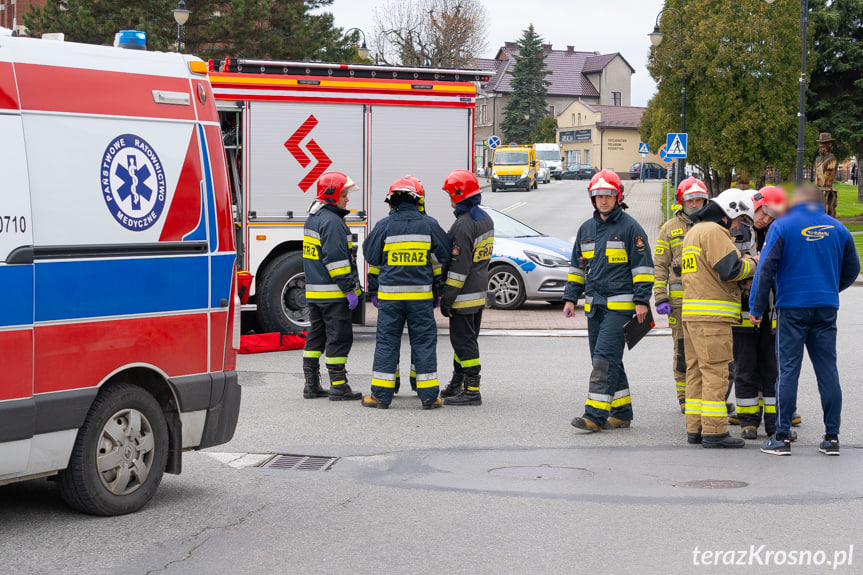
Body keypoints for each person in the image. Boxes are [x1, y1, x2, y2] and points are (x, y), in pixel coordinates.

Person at [752, 185, 860, 456]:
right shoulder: (838, 228)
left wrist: (756, 306)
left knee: (788, 370)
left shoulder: (783, 226)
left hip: (792, 307)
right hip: (825, 307)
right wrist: (831, 288)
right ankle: (832, 437)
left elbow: (765, 269)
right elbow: (853, 269)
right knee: (828, 371)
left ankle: (782, 437)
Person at [564, 169, 654, 432]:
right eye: (599, 195)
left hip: (621, 307)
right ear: (593, 198)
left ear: (618, 197)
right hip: (595, 307)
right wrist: (570, 298)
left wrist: (641, 301)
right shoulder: (586, 229)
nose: (604, 200)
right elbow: (577, 268)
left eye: (609, 195)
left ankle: (594, 416)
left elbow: (643, 268)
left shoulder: (631, 228)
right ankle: (622, 412)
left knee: (604, 358)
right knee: (605, 359)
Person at [362, 177, 452, 409]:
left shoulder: (384, 226)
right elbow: (444, 254)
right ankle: (430, 397)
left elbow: (371, 256)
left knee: (387, 343)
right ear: (418, 202)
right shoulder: (429, 224)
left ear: (392, 202)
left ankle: (381, 396)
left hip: (390, 300)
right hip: (421, 300)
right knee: (423, 343)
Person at [680, 188, 757, 448]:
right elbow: (729, 270)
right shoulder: (714, 232)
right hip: (712, 318)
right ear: (729, 212)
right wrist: (754, 262)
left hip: (692, 315)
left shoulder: (694, 232)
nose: (737, 226)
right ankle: (714, 431)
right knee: (716, 373)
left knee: (696, 374)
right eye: (738, 220)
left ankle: (696, 428)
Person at [730, 186, 789, 440]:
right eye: (763, 211)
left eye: (770, 214)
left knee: (771, 368)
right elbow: (728, 265)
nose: (764, 218)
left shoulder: (781, 232)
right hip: (743, 309)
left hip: (772, 311)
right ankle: (748, 421)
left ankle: (774, 423)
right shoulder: (736, 229)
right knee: (745, 367)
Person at [302, 172, 363, 401]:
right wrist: (349, 289)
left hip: (315, 293)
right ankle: (338, 386)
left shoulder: (314, 218)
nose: (347, 199)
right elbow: (336, 262)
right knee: (339, 338)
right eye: (345, 194)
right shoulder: (333, 222)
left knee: (315, 337)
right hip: (334, 294)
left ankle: (311, 384)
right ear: (333, 194)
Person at [438, 169, 494, 406]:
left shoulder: (463, 225)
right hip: (478, 292)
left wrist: (447, 298)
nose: (449, 198)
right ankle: (458, 382)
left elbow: (458, 268)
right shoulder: (485, 219)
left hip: (463, 295)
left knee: (463, 342)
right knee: (466, 340)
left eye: (451, 194)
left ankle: (472, 390)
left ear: (459, 195)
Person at [654, 177, 709, 412]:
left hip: (708, 301)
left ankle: (708, 394)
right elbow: (660, 265)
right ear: (681, 202)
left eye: (699, 200)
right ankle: (684, 397)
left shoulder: (713, 225)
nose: (695, 204)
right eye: (691, 200)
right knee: (683, 351)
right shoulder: (669, 228)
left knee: (708, 351)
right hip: (679, 303)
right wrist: (660, 296)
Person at [814, 132, 838, 217]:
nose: (820, 147)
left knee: (826, 209)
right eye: (820, 145)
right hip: (818, 189)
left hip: (826, 189)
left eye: (823, 145)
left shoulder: (831, 159)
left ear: (829, 145)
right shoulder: (818, 160)